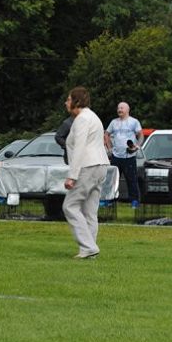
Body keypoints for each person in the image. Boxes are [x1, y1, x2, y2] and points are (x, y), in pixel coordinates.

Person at [62, 87, 109, 259]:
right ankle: (89, 250)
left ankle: (88, 247)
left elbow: (80, 147)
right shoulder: (93, 117)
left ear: (77, 101)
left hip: (88, 166)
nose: (66, 103)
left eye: (69, 99)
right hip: (101, 165)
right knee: (90, 211)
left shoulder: (82, 119)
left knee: (70, 206)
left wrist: (72, 176)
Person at [103, 102, 144, 208]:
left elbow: (141, 135)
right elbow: (106, 134)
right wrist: (110, 148)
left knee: (131, 179)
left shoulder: (134, 122)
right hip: (116, 156)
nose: (119, 110)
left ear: (127, 110)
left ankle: (134, 201)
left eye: (121, 108)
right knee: (112, 179)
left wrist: (137, 146)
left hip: (129, 156)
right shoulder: (114, 122)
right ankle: (109, 200)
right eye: (118, 108)